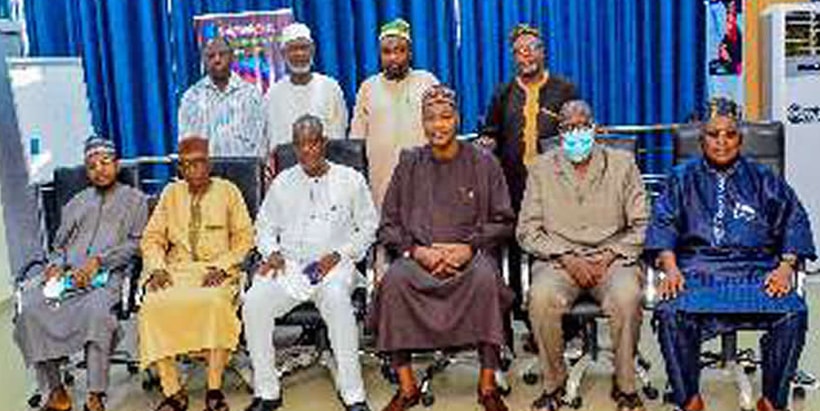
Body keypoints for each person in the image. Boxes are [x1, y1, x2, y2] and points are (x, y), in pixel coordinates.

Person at [647, 98, 816, 411]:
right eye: (714, 135)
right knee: (670, 312)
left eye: (729, 135)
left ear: (740, 139)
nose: (721, 142)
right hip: (697, 271)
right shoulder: (681, 178)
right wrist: (670, 267)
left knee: (794, 311)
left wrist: (785, 266)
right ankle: (689, 400)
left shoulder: (764, 179)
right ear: (701, 140)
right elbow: (663, 222)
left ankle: (772, 401)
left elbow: (795, 218)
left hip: (756, 272)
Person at [370, 85, 515, 411]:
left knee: (484, 280)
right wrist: (418, 252)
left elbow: (505, 220)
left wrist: (468, 247)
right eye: (431, 119)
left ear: (457, 119)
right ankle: (407, 386)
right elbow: (388, 225)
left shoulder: (484, 163)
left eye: (446, 117)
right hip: (419, 257)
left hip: (471, 257)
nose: (439, 126)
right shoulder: (409, 164)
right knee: (393, 282)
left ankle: (488, 384)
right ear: (423, 123)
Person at [517, 100, 648, 411]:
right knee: (540, 298)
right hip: (559, 260)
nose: (576, 133)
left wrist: (607, 258)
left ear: (595, 128)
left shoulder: (623, 164)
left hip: (612, 258)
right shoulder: (540, 169)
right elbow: (527, 230)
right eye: (568, 127)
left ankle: (626, 386)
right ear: (559, 133)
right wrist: (566, 257)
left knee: (627, 297)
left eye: (582, 125)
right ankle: (554, 385)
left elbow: (641, 222)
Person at [243, 114, 377, 411]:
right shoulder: (282, 182)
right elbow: (264, 226)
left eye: (313, 143)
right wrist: (271, 252)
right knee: (254, 302)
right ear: (295, 147)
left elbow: (369, 226)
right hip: (289, 266)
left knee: (338, 302)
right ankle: (267, 392)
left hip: (334, 266)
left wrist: (340, 254)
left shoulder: (350, 180)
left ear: (323, 143)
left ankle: (353, 394)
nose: (307, 151)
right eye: (301, 145)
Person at [14, 137, 148, 411]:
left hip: (106, 278)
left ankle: (95, 395)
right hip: (67, 277)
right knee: (31, 309)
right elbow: (60, 245)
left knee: (97, 313)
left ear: (117, 164)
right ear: (86, 172)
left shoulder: (135, 200)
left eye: (105, 163)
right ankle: (56, 390)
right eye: (92, 166)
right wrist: (55, 265)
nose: (99, 170)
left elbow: (137, 244)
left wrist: (100, 261)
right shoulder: (76, 202)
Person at [139, 136, 254, 411]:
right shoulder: (170, 194)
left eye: (200, 163)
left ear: (209, 163)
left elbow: (245, 238)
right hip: (175, 271)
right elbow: (152, 237)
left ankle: (214, 389)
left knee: (214, 303)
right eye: (187, 165)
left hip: (217, 271)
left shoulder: (228, 191)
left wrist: (224, 266)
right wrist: (156, 268)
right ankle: (173, 391)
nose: (195, 170)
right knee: (152, 305)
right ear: (180, 169)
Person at [479, 24, 577, 317]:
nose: (526, 56)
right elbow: (491, 132)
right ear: (514, 57)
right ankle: (526, 316)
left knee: (554, 251)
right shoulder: (503, 93)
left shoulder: (564, 89)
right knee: (517, 249)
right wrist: (487, 141)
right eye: (520, 51)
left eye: (532, 48)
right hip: (514, 189)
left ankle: (564, 320)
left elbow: (578, 129)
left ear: (543, 52)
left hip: (558, 188)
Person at [349, 18, 438, 208]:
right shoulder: (368, 88)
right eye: (387, 52)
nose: (393, 57)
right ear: (380, 55)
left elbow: (443, 132)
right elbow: (356, 142)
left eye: (400, 50)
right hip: (382, 184)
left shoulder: (428, 82)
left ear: (410, 53)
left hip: (425, 181)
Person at [178, 36, 267, 158]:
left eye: (222, 54)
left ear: (232, 57)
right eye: (211, 56)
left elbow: (261, 141)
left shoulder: (251, 95)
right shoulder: (191, 98)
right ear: (204, 61)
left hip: (244, 173)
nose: (217, 60)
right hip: (205, 174)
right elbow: (186, 143)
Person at [265, 23, 348, 151]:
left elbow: (338, 136)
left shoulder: (331, 88)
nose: (299, 54)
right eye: (293, 49)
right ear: (283, 54)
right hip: (286, 167)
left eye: (304, 48)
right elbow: (272, 142)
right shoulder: (273, 94)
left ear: (312, 50)